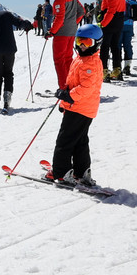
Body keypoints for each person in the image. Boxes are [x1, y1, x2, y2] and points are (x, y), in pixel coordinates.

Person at [48, 24, 103, 187]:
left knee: (64, 141)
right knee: (79, 140)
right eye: (79, 41)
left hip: (80, 108)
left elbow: (85, 88)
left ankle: (61, 173)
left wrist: (68, 97)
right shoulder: (81, 58)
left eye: (86, 42)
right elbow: (73, 81)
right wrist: (64, 97)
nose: (81, 45)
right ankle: (81, 171)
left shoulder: (90, 64)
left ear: (96, 43)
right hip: (81, 108)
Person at [45, 0, 85, 89]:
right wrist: (73, 24)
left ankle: (63, 87)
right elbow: (82, 12)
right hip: (72, 32)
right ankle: (71, 85)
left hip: (61, 34)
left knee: (59, 61)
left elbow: (59, 18)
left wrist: (51, 32)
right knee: (68, 59)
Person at [98, 0, 126, 81]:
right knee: (115, 46)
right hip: (118, 23)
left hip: (110, 23)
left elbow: (111, 11)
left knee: (105, 47)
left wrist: (102, 23)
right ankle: (117, 70)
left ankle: (104, 71)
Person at [121, 0, 137, 75]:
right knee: (128, 45)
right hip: (130, 25)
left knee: (118, 45)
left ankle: (117, 67)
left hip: (120, 25)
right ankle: (127, 66)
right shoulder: (132, 0)